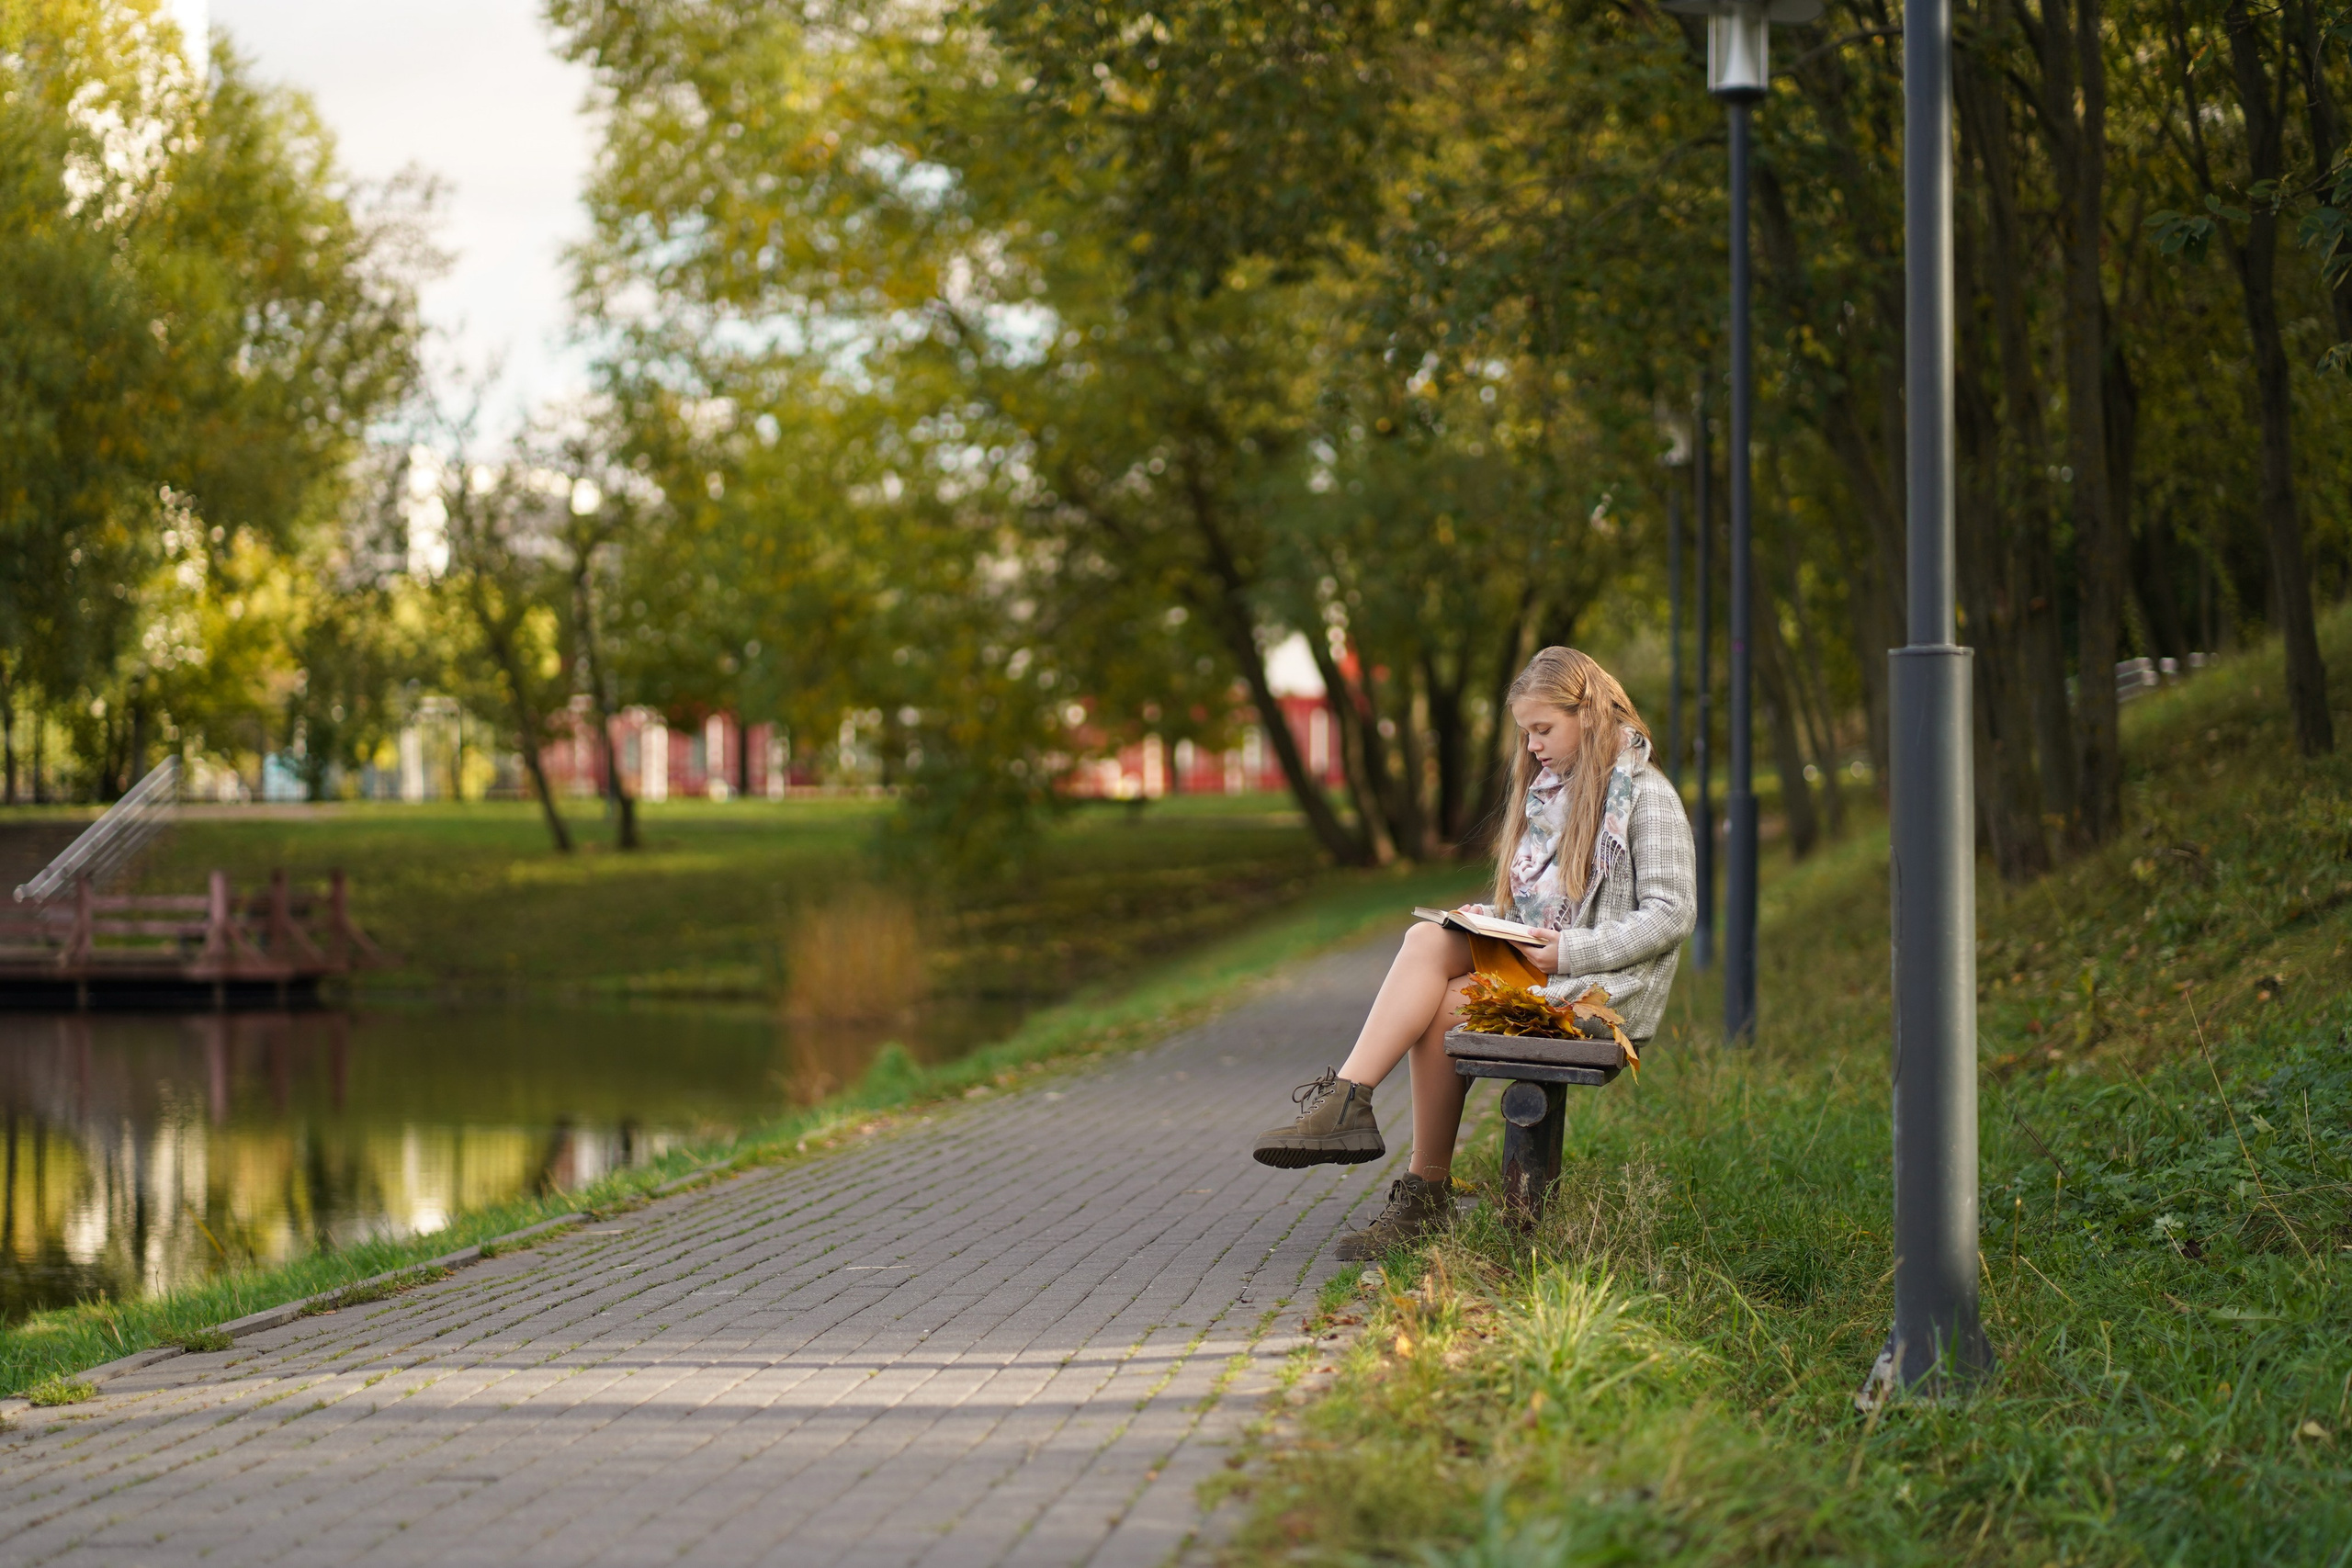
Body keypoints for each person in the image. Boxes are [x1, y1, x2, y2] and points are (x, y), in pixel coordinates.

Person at [1251, 646, 1698, 1259]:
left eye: (1544, 728)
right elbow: (1543, 914)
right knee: (1427, 944)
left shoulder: (1648, 795)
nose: (1533, 745)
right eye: (1526, 733)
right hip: (1549, 971)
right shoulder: (1549, 797)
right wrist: (1499, 925)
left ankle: (1383, 1143)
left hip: (1603, 996)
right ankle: (1394, 1157)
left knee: (1437, 1000)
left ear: (1589, 714)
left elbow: (1673, 913)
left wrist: (1568, 949)